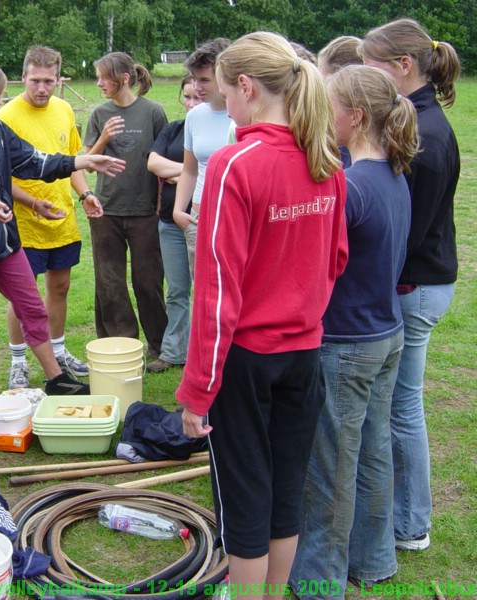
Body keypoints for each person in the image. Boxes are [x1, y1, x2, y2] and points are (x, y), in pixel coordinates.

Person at [177, 32, 348, 600]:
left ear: (246, 88)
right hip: (305, 354)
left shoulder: (233, 164)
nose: (221, 105)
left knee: (247, 497)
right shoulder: (325, 157)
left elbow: (216, 293)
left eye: (223, 94)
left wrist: (197, 391)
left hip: (246, 361)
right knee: (284, 492)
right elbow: (336, 258)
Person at [0, 57, 125, 428]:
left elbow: (35, 162)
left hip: (7, 244)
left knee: (34, 310)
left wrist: (83, 162)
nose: (0, 102)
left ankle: (55, 380)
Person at [290, 65, 418, 596]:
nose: (326, 116)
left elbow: (319, 266)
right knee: (373, 449)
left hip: (348, 344)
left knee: (332, 469)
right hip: (386, 333)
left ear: (356, 116)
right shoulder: (392, 172)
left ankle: (320, 580)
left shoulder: (351, 187)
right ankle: (375, 558)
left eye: (332, 106)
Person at [361, 18, 461, 552]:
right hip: (420, 279)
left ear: (403, 66)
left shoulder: (426, 129)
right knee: (401, 404)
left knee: (402, 406)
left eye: (371, 65)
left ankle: (411, 523)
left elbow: (408, 227)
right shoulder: (418, 117)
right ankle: (404, 513)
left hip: (415, 284)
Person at [0, 46, 102, 389]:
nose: (42, 88)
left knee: (61, 286)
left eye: (49, 81)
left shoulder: (64, 109)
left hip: (63, 218)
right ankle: (17, 360)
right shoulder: (6, 117)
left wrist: (85, 195)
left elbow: (72, 161)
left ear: (59, 79)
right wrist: (30, 203)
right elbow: (1, 177)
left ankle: (57, 350)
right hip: (24, 222)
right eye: (36, 80)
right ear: (23, 77)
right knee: (21, 294)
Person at [84, 52, 168, 361]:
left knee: (148, 282)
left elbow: (164, 160)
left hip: (145, 211)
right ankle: (122, 347)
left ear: (123, 79)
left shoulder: (153, 112)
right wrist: (104, 137)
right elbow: (88, 164)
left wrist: (161, 204)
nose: (99, 83)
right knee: (111, 283)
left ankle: (161, 345)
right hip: (106, 212)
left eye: (104, 77)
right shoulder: (99, 114)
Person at [143, 76, 202, 374]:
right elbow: (153, 164)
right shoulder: (175, 129)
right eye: (187, 97)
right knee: (177, 290)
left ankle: (205, 354)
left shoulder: (222, 130)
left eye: (198, 98)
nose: (192, 104)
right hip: (169, 221)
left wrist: (179, 174)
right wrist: (193, 170)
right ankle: (173, 351)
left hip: (204, 221)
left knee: (207, 291)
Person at [172, 38, 232, 280]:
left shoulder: (246, 114)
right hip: (198, 219)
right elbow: (190, 170)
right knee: (204, 294)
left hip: (232, 219)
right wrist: (178, 210)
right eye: (194, 79)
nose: (197, 87)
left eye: (204, 80)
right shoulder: (195, 116)